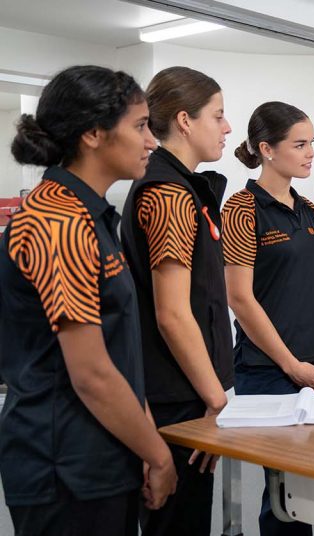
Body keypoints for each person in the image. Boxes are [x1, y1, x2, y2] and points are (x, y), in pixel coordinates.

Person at [0, 65, 176, 536]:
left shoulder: (91, 217)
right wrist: (158, 455)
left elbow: (117, 356)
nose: (152, 142)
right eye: (140, 126)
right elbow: (92, 374)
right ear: (94, 133)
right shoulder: (58, 221)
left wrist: (141, 443)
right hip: (65, 467)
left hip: (102, 455)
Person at [119, 66, 234, 536]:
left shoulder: (185, 187)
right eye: (219, 115)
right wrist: (214, 400)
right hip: (177, 399)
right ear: (185, 121)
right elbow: (171, 313)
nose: (228, 127)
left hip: (188, 392)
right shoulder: (168, 193)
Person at [222, 101, 314, 536]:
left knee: (304, 490)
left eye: (312, 143)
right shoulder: (241, 209)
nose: (311, 152)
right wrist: (291, 366)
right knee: (279, 496)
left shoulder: (308, 210)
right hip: (270, 372)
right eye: (300, 144)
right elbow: (240, 298)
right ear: (267, 149)